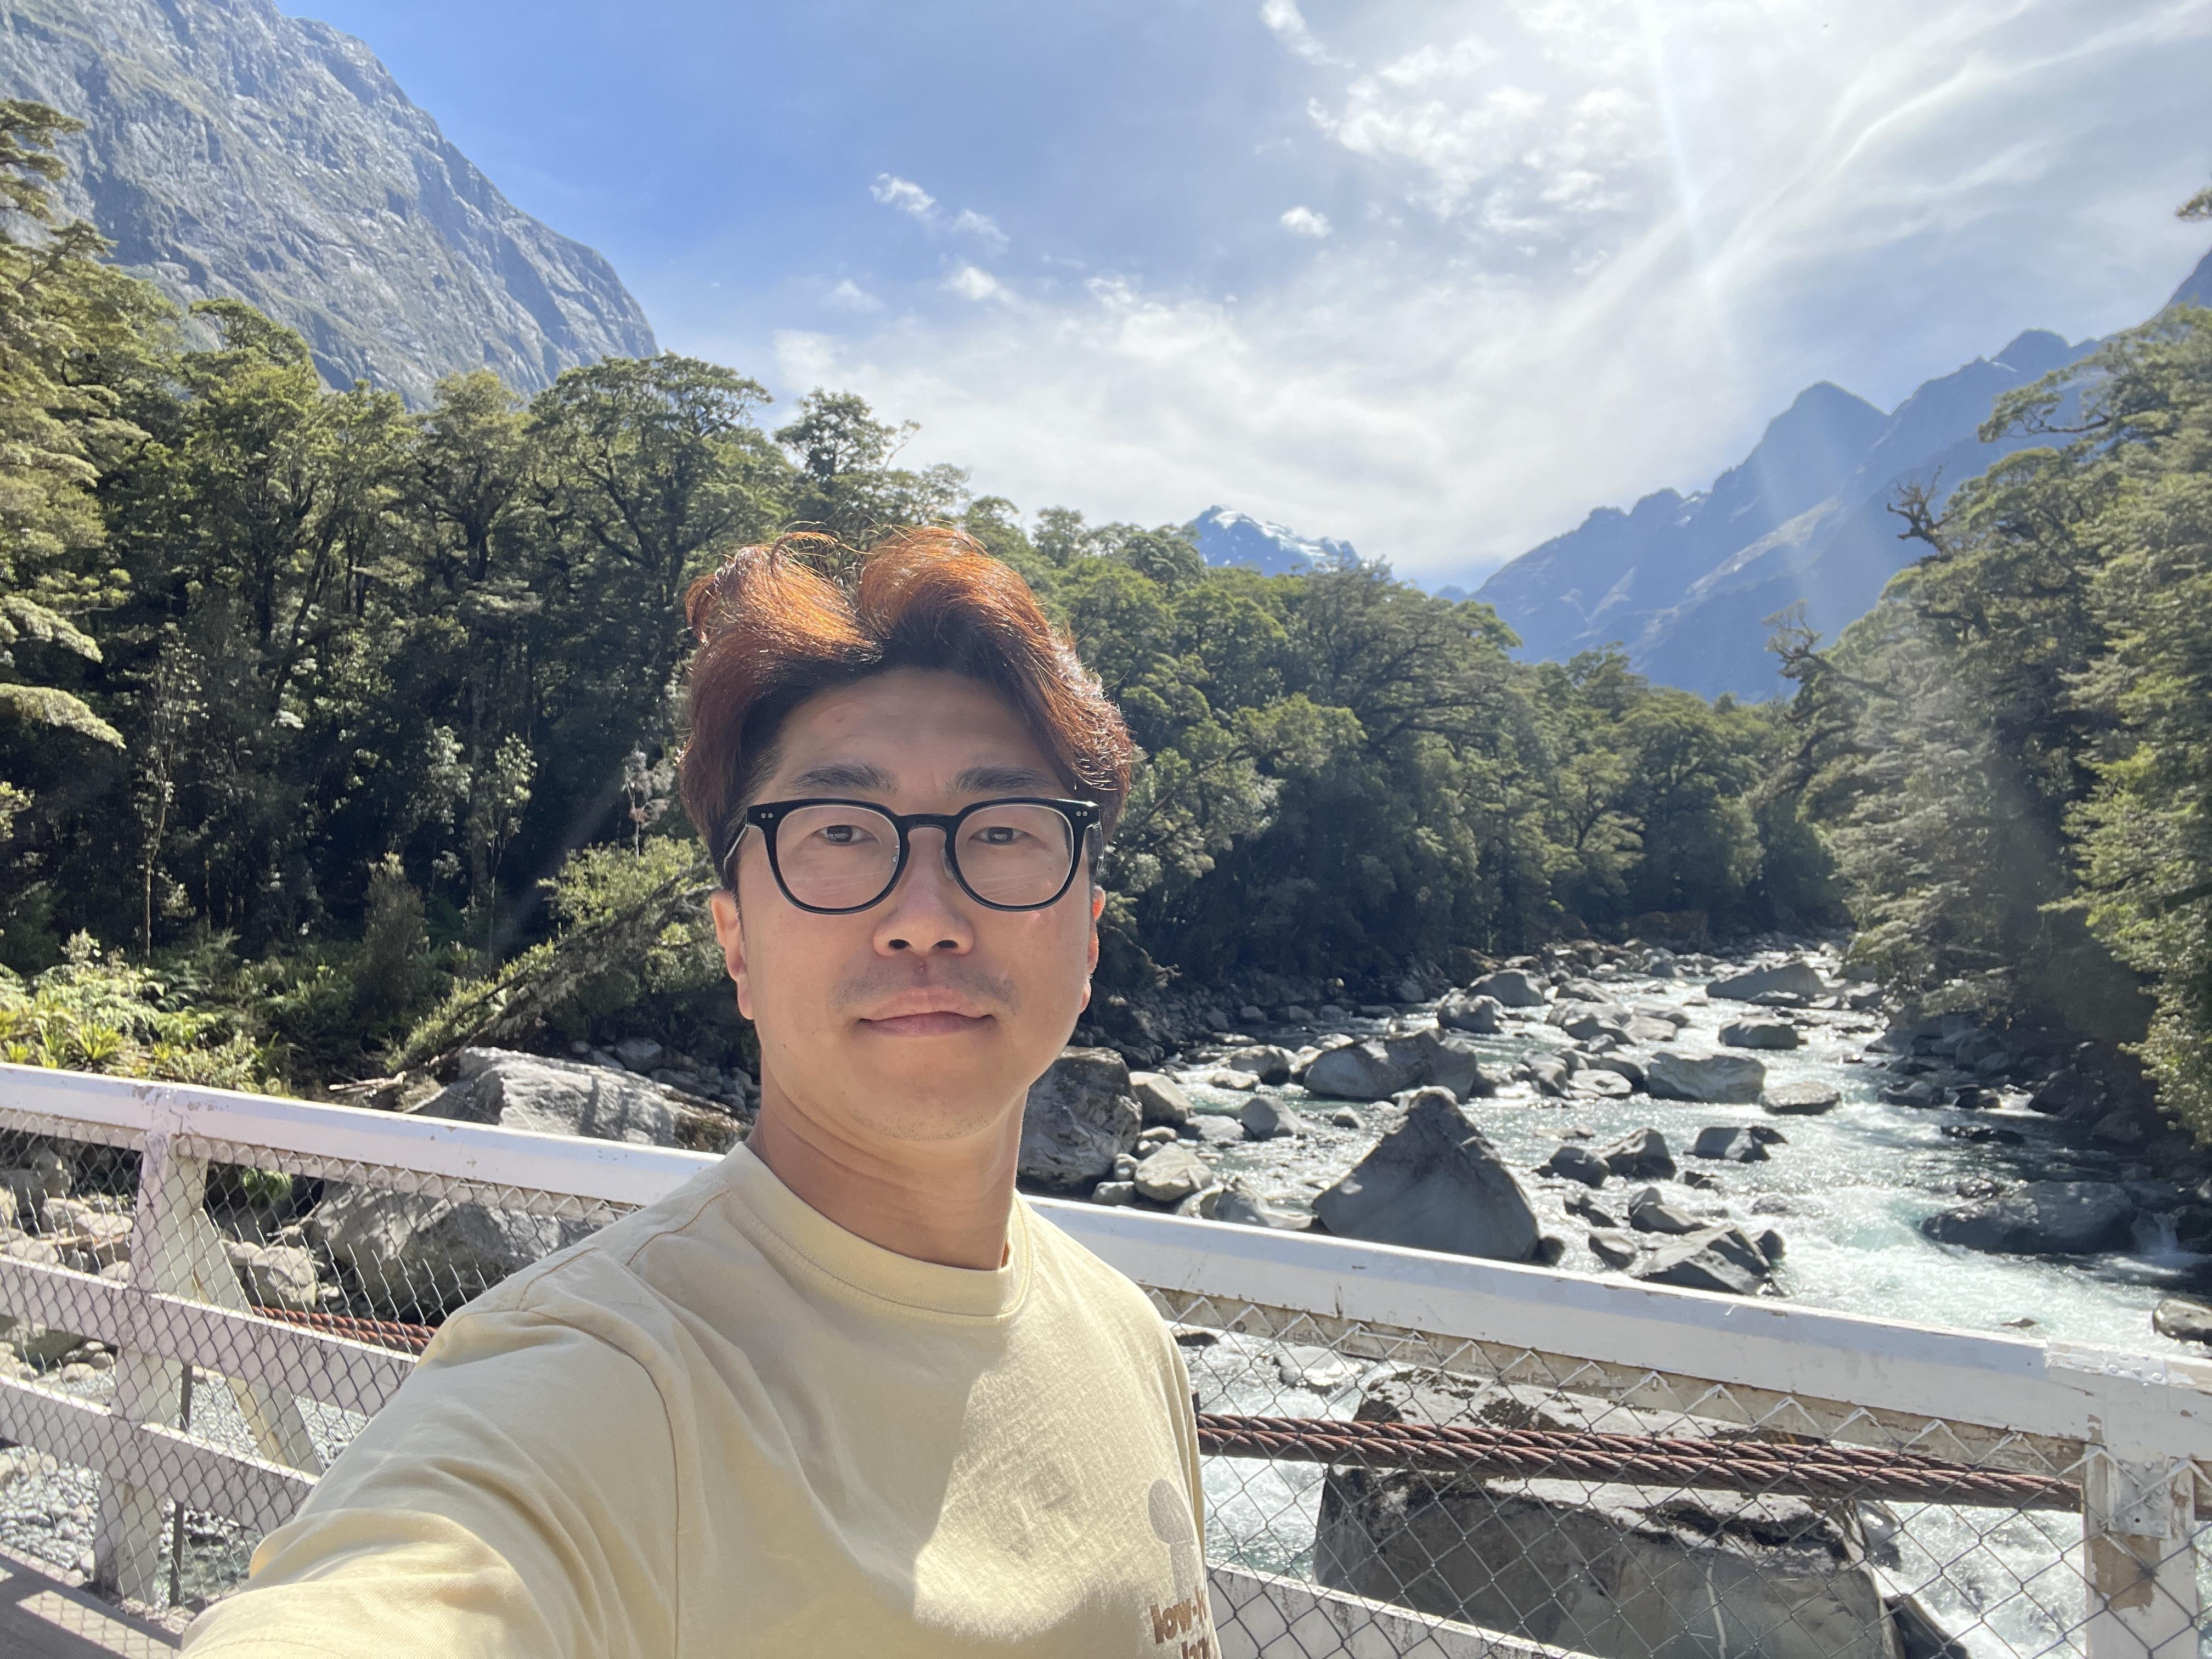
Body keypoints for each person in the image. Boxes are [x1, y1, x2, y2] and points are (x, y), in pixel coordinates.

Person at [183, 528, 1220, 1658]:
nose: (925, 915)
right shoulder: (612, 1382)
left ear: (1087, 938)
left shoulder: (1131, 1344)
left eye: (1005, 832)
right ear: (736, 943)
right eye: (839, 832)